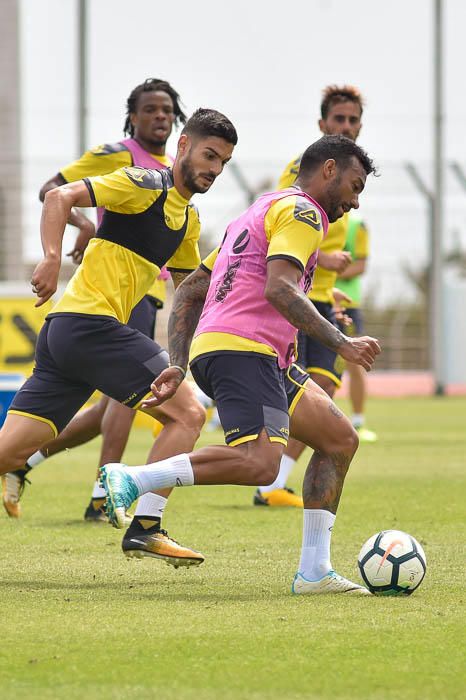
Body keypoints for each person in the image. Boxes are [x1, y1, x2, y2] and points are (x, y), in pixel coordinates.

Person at [100, 135, 382, 595]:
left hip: (256, 354)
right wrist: (342, 342)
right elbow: (280, 289)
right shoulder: (304, 212)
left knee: (338, 440)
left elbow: (192, 288)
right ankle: (134, 478)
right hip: (244, 349)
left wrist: (177, 360)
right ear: (328, 170)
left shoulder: (259, 210)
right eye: (353, 186)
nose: (353, 202)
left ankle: (314, 572)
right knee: (260, 464)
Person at [0, 108, 238, 567]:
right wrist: (52, 258)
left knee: (9, 451)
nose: (215, 169)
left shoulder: (187, 221)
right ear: (183, 146)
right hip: (89, 326)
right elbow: (58, 197)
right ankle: (147, 527)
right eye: (210, 155)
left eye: (224, 162)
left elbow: (189, 295)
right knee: (187, 413)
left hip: (66, 334)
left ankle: (142, 523)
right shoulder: (143, 183)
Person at [2, 78, 184, 525]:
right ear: (133, 116)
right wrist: (83, 225)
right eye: (151, 109)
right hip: (108, 296)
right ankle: (104, 496)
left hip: (145, 294)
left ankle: (26, 461)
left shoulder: (175, 176)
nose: (160, 116)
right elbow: (52, 189)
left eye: (167, 110)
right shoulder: (119, 156)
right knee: (139, 402)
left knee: (111, 402)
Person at [255, 84, 374, 508]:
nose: (346, 126)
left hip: (324, 299)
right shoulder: (299, 170)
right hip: (296, 303)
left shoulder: (351, 176)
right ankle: (265, 476)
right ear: (322, 124)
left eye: (353, 120)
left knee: (323, 386)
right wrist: (324, 259)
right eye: (338, 119)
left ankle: (271, 482)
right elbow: (281, 227)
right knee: (303, 391)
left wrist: (333, 287)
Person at [334, 217, 377, 441]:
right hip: (311, 299)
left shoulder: (357, 225)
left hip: (347, 304)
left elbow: (360, 265)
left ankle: (358, 421)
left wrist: (324, 271)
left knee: (354, 361)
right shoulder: (310, 216)